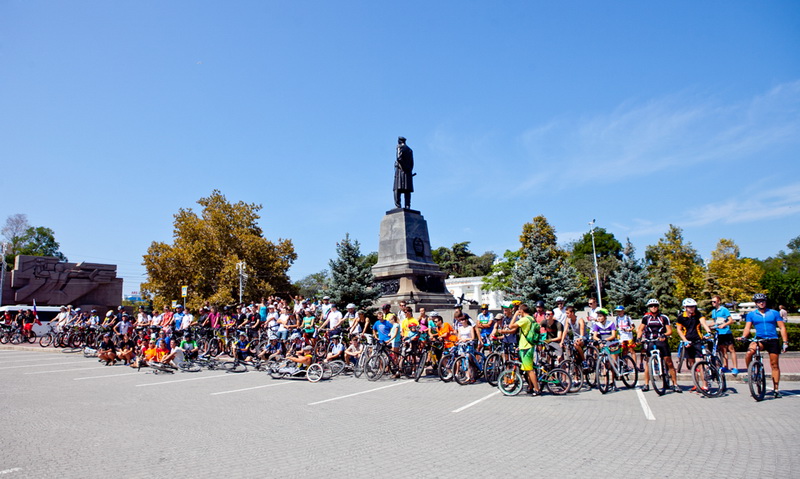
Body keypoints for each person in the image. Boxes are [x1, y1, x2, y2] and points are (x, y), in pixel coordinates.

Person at [739, 293, 789, 398]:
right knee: (749, 353)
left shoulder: (774, 313)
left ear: (766, 302)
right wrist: (743, 336)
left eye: (762, 301)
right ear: (756, 303)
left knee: (774, 365)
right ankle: (751, 372)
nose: (761, 303)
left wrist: (785, 342)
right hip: (760, 339)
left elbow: (782, 327)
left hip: (772, 339)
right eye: (758, 301)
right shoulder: (751, 314)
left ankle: (776, 389)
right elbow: (747, 328)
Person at [636, 299, 681, 393]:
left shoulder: (664, 317)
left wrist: (664, 335)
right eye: (651, 306)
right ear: (649, 307)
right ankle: (646, 384)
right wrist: (638, 338)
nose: (653, 307)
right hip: (650, 341)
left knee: (669, 362)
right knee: (648, 363)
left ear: (658, 307)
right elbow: (640, 329)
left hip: (661, 341)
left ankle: (675, 384)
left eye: (655, 305)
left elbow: (669, 331)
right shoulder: (646, 318)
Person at [498, 304, 542, 395]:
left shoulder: (524, 319)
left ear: (521, 311)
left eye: (519, 310)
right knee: (527, 369)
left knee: (530, 370)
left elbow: (511, 326)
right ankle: (531, 387)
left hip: (526, 346)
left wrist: (515, 315)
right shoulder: (531, 318)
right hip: (526, 345)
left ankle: (537, 389)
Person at [674, 298, 712, 388]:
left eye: (693, 307)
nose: (692, 308)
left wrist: (709, 332)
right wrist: (685, 340)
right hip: (688, 342)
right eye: (689, 307)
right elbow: (679, 330)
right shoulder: (681, 317)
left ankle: (705, 385)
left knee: (700, 363)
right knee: (692, 364)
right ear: (685, 307)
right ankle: (696, 384)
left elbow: (703, 323)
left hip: (698, 341)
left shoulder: (698, 314)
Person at [710, 295, 738, 375]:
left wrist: (724, 325)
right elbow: (714, 322)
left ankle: (735, 367)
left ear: (719, 302)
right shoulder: (714, 311)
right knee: (723, 350)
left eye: (714, 301)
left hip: (726, 332)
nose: (713, 303)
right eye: (712, 302)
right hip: (719, 333)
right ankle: (725, 366)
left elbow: (731, 320)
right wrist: (707, 325)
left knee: (731, 349)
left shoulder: (724, 310)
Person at [394, 136, 414, 209]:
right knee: (407, 189)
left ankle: (398, 205)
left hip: (400, 170)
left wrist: (403, 167)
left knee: (396, 188)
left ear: (399, 141)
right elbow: (412, 163)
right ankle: (407, 205)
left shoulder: (400, 147)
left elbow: (398, 158)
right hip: (408, 171)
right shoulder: (410, 150)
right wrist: (408, 169)